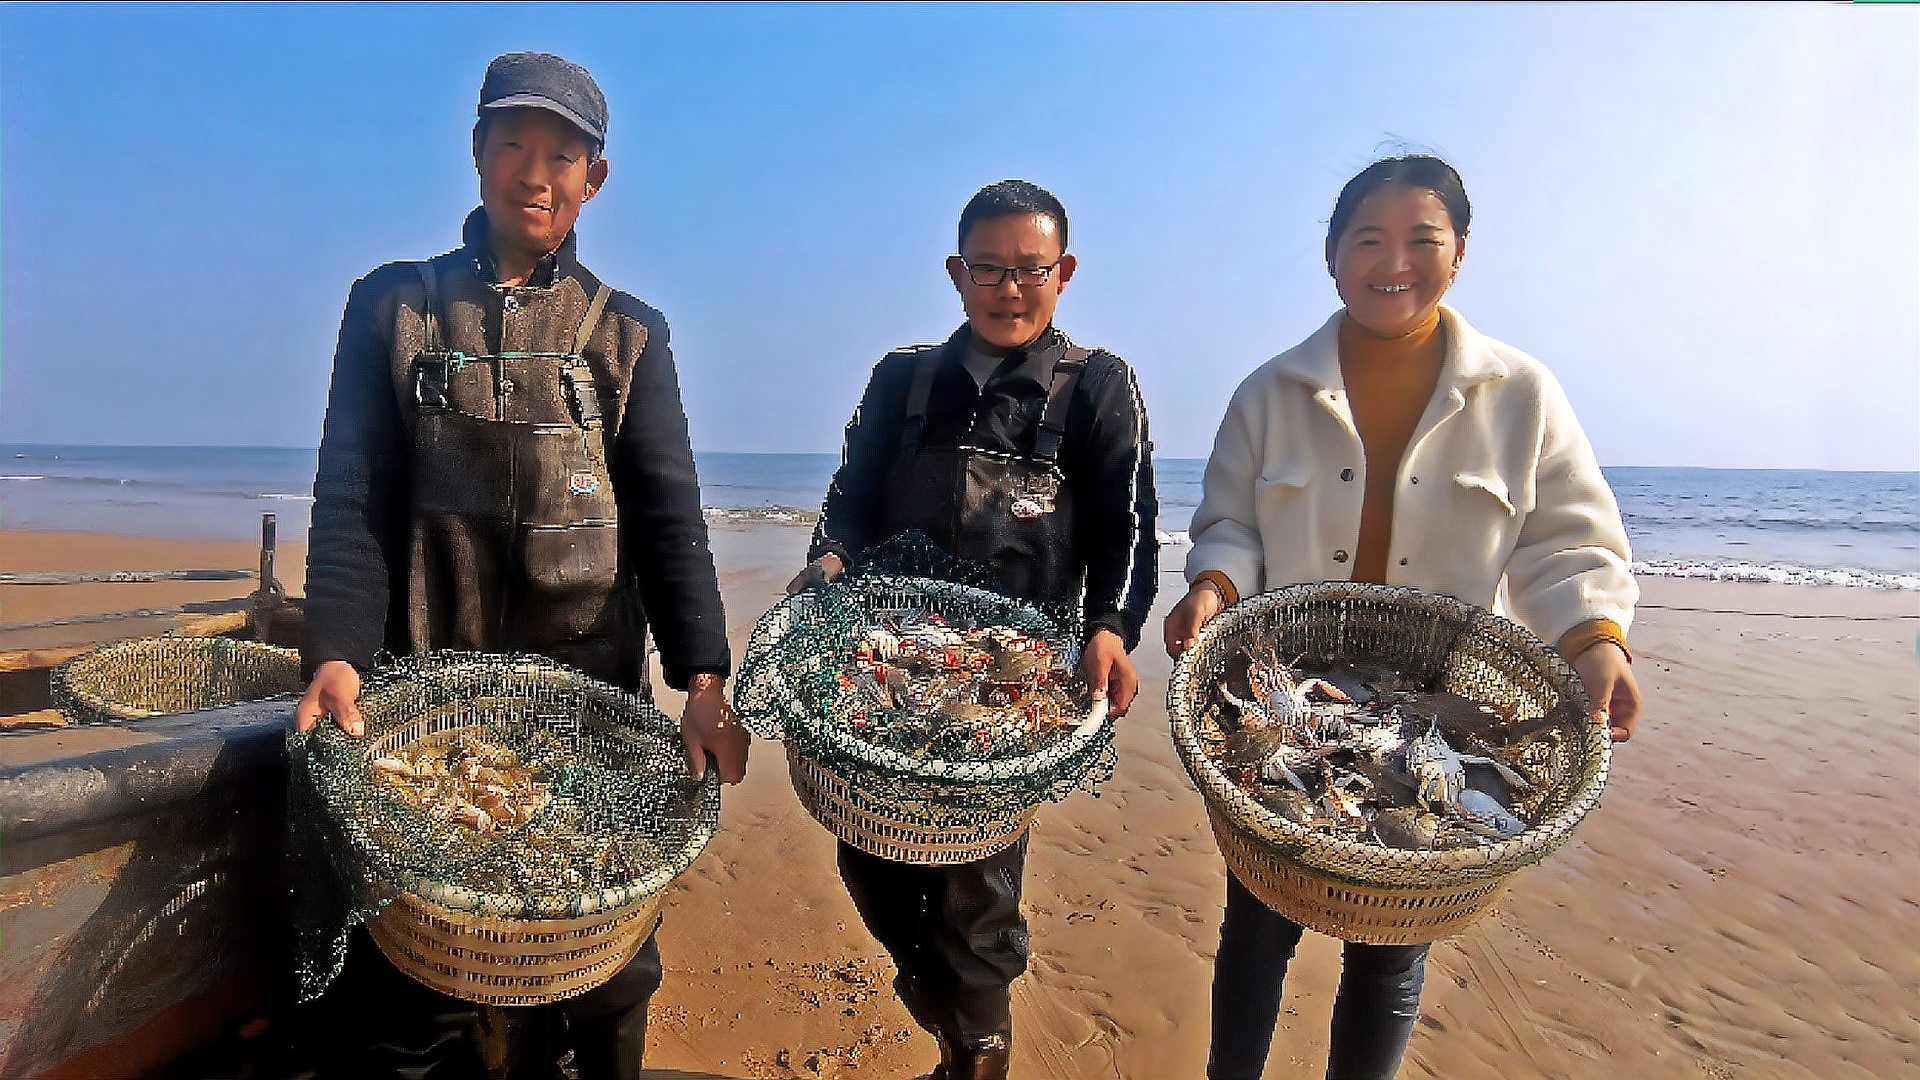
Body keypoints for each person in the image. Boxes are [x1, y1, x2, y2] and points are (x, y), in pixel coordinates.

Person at [292, 51, 748, 1079]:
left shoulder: (628, 335)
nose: (533, 175)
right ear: (476, 153)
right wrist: (334, 650)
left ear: (595, 179)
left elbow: (671, 516)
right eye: (513, 146)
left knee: (603, 958)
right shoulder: (394, 309)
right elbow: (354, 498)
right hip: (425, 699)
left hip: (587, 703)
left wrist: (705, 680)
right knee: (414, 957)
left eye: (561, 156)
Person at [1163, 154, 1643, 1080]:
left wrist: (1596, 640)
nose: (1395, 262)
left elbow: (1566, 541)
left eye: (1422, 240)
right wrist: (1213, 588)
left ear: (1459, 254)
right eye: (1367, 240)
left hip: (1436, 696)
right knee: (1257, 928)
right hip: (1293, 694)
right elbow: (1228, 523)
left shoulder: (1521, 394)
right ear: (1332, 258)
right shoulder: (1269, 393)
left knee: (1390, 949)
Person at [787, 179, 1159, 1078]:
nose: (1009, 289)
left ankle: (976, 1052)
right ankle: (958, 1031)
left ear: (1063, 273)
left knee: (975, 889)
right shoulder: (903, 380)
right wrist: (829, 560)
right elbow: (851, 500)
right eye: (988, 268)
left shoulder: (1097, 389)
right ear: (957, 272)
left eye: (1030, 269)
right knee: (868, 859)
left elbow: (1130, 530)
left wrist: (1111, 627)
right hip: (885, 672)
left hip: (1008, 690)